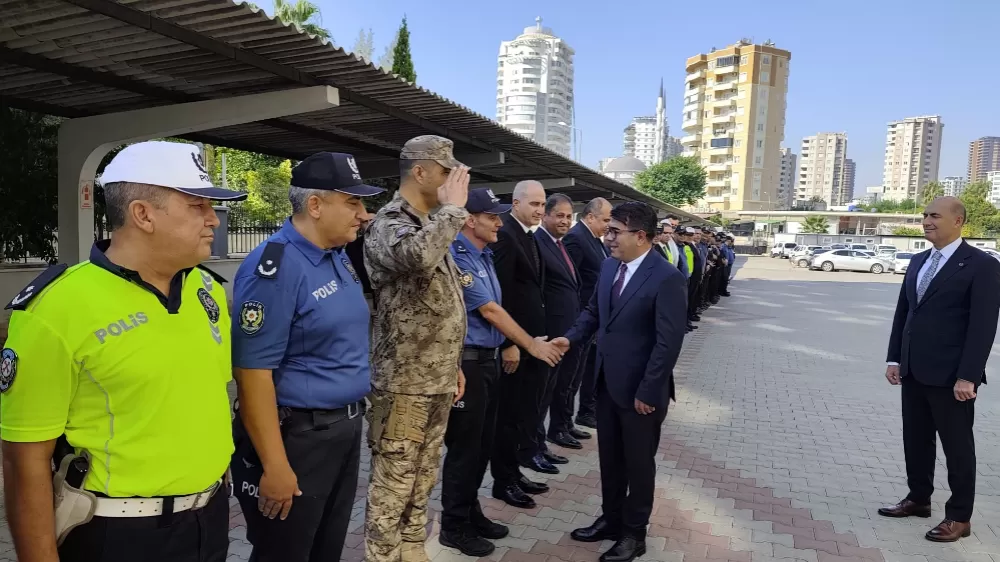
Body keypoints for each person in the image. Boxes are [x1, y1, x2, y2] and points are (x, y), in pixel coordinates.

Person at [0, 141, 244, 562]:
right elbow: (24, 463)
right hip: (118, 533)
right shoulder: (56, 307)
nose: (213, 220)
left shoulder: (207, 291)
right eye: (197, 206)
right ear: (143, 215)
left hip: (209, 519)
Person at [229, 152, 384, 562]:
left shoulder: (338, 257)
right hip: (299, 438)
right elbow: (252, 372)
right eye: (352, 203)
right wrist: (274, 466)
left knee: (325, 549)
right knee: (285, 552)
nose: (364, 215)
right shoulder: (277, 268)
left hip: (344, 430)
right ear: (314, 205)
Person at [552, 202, 687, 562]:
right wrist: (570, 338)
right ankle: (610, 520)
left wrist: (648, 390)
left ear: (640, 236)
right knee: (611, 461)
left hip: (642, 393)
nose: (608, 237)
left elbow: (667, 342)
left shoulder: (666, 277)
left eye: (615, 231)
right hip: (607, 385)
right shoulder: (611, 266)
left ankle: (634, 534)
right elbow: (595, 312)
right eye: (608, 229)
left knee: (639, 465)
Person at [362, 136, 471, 562]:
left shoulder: (430, 221)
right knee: (394, 482)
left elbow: (440, 303)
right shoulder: (390, 222)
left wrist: (454, 363)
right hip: (403, 383)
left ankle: (411, 545)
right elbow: (417, 258)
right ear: (420, 172)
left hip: (436, 377)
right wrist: (453, 211)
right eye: (447, 172)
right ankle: (382, 555)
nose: (451, 182)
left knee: (424, 474)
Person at [439, 188, 563, 557]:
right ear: (468, 219)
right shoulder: (457, 257)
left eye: (499, 215)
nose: (498, 221)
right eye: (491, 216)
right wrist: (530, 344)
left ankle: (470, 511)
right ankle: (453, 525)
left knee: (482, 446)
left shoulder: (485, 254)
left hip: (488, 361)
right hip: (469, 364)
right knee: (464, 449)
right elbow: (490, 310)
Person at [879, 196, 1000, 543]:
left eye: (934, 216)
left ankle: (960, 517)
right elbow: (904, 315)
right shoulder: (918, 261)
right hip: (914, 371)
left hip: (952, 378)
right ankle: (918, 499)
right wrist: (894, 359)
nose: (926, 221)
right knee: (915, 441)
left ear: (958, 221)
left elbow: (983, 326)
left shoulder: (981, 265)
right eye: (924, 215)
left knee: (958, 449)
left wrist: (969, 375)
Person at [490, 180, 555, 508]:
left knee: (524, 412)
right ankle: (503, 482)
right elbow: (499, 295)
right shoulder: (505, 235)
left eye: (543, 205)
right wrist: (507, 344)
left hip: (533, 344)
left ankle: (514, 473)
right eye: (534, 204)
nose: (540, 211)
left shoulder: (527, 236)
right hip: (516, 347)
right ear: (515, 204)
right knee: (509, 416)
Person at [534, 194, 589, 452]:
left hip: (568, 332)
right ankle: (535, 447)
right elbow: (538, 292)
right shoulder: (538, 244)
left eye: (568, 216)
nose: (565, 221)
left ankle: (549, 436)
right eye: (559, 215)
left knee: (560, 386)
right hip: (550, 336)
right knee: (542, 395)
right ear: (545, 215)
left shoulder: (560, 244)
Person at [563, 198, 611, 430]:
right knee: (571, 376)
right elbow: (571, 282)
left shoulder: (595, 240)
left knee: (584, 371)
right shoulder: (576, 238)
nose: (608, 226)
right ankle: (561, 425)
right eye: (605, 220)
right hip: (580, 317)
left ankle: (579, 417)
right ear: (590, 217)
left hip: (591, 320)